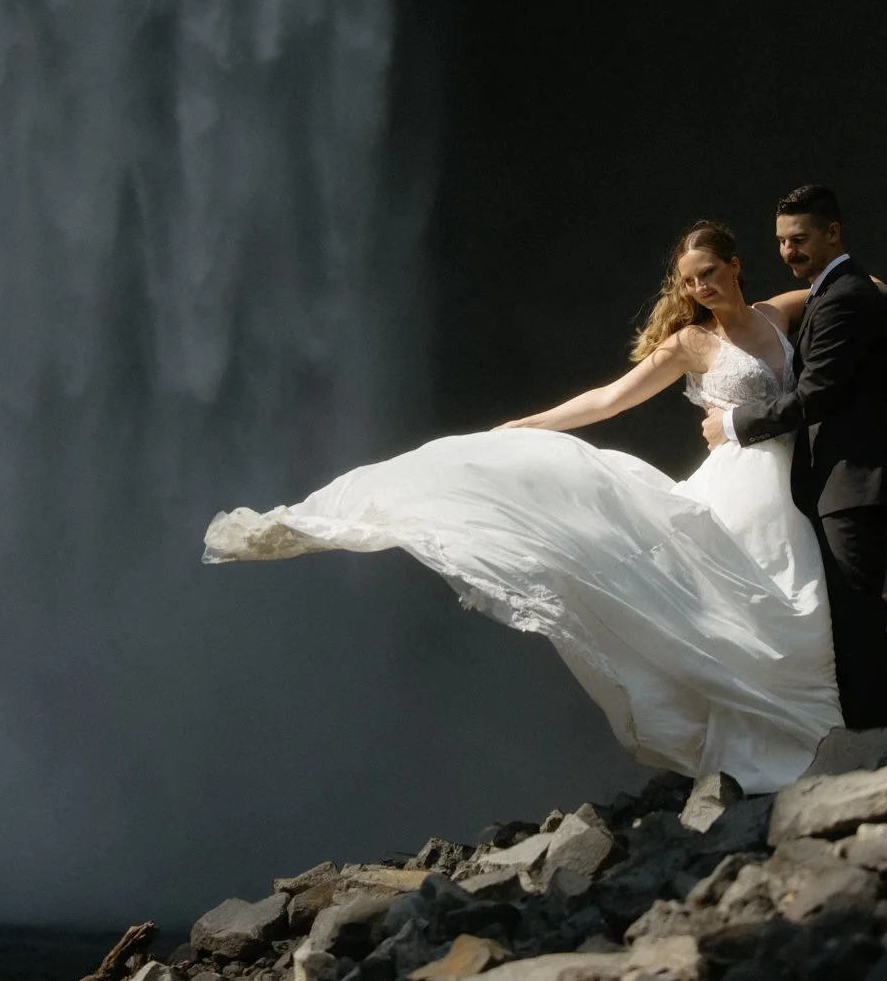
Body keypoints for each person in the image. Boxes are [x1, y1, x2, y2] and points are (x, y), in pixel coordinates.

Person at [203, 220, 844, 793]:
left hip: (788, 467)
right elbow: (607, 401)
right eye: (690, 281)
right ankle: (770, 742)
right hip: (741, 477)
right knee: (745, 599)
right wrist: (530, 424)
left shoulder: (778, 312)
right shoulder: (688, 347)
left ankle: (813, 728)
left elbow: (848, 289)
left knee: (779, 594)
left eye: (709, 273)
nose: (702, 287)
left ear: (733, 266)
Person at [701, 185, 887, 730]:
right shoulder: (837, 290)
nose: (789, 251)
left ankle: (874, 740)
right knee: (844, 618)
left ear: (834, 232)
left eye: (800, 239)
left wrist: (733, 424)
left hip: (852, 483)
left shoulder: (844, 296)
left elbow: (816, 397)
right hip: (833, 485)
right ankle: (859, 734)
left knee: (855, 619)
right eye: (782, 242)